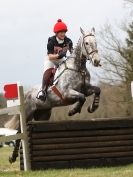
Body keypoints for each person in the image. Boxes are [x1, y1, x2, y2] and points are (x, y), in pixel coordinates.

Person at [38, 19, 73, 101]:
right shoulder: (51, 41)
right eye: (61, 32)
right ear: (56, 33)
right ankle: (42, 91)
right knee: (48, 71)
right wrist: (58, 55)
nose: (63, 34)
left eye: (64, 32)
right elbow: (50, 56)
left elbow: (72, 52)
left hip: (61, 59)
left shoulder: (68, 41)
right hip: (51, 59)